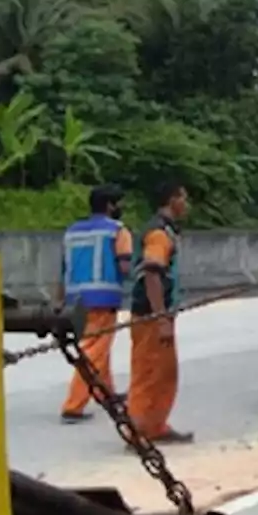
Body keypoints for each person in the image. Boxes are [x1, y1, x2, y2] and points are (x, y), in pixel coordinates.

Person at [56, 183, 133, 423]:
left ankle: (105, 392)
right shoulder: (118, 231)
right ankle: (73, 406)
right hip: (104, 298)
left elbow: (62, 269)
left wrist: (59, 300)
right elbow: (124, 266)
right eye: (119, 203)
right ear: (110, 205)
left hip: (76, 300)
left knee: (99, 348)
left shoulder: (72, 232)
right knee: (93, 351)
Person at [126, 180, 193, 444]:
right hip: (151, 316)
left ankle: (155, 426)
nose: (186, 205)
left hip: (157, 314)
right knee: (149, 373)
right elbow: (152, 273)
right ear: (172, 199)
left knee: (164, 373)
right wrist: (160, 317)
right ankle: (139, 431)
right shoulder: (158, 234)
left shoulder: (165, 230)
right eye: (183, 198)